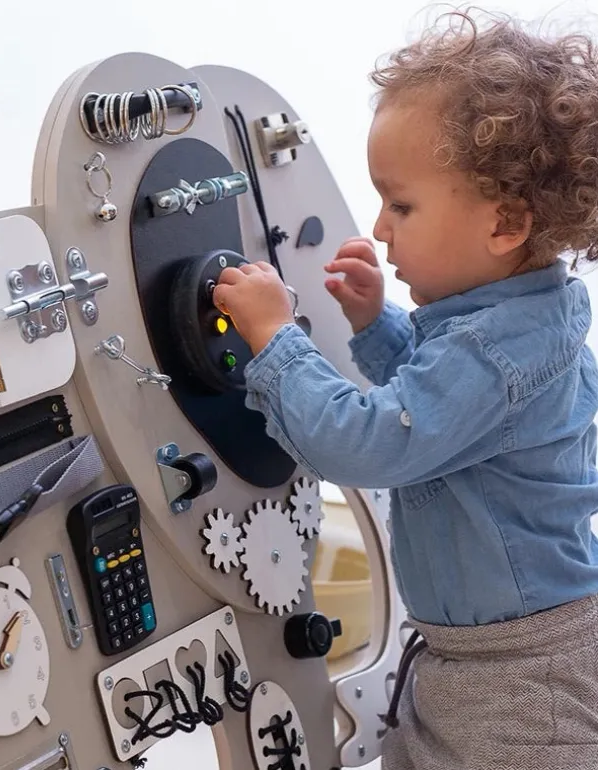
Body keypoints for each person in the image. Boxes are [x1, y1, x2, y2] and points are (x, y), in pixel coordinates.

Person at [213, 7, 598, 770]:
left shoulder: (493, 352)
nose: (381, 229)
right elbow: (441, 411)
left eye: (402, 205)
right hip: (486, 655)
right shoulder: (518, 320)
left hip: (523, 682)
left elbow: (369, 445)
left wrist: (275, 337)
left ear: (506, 222)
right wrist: (375, 323)